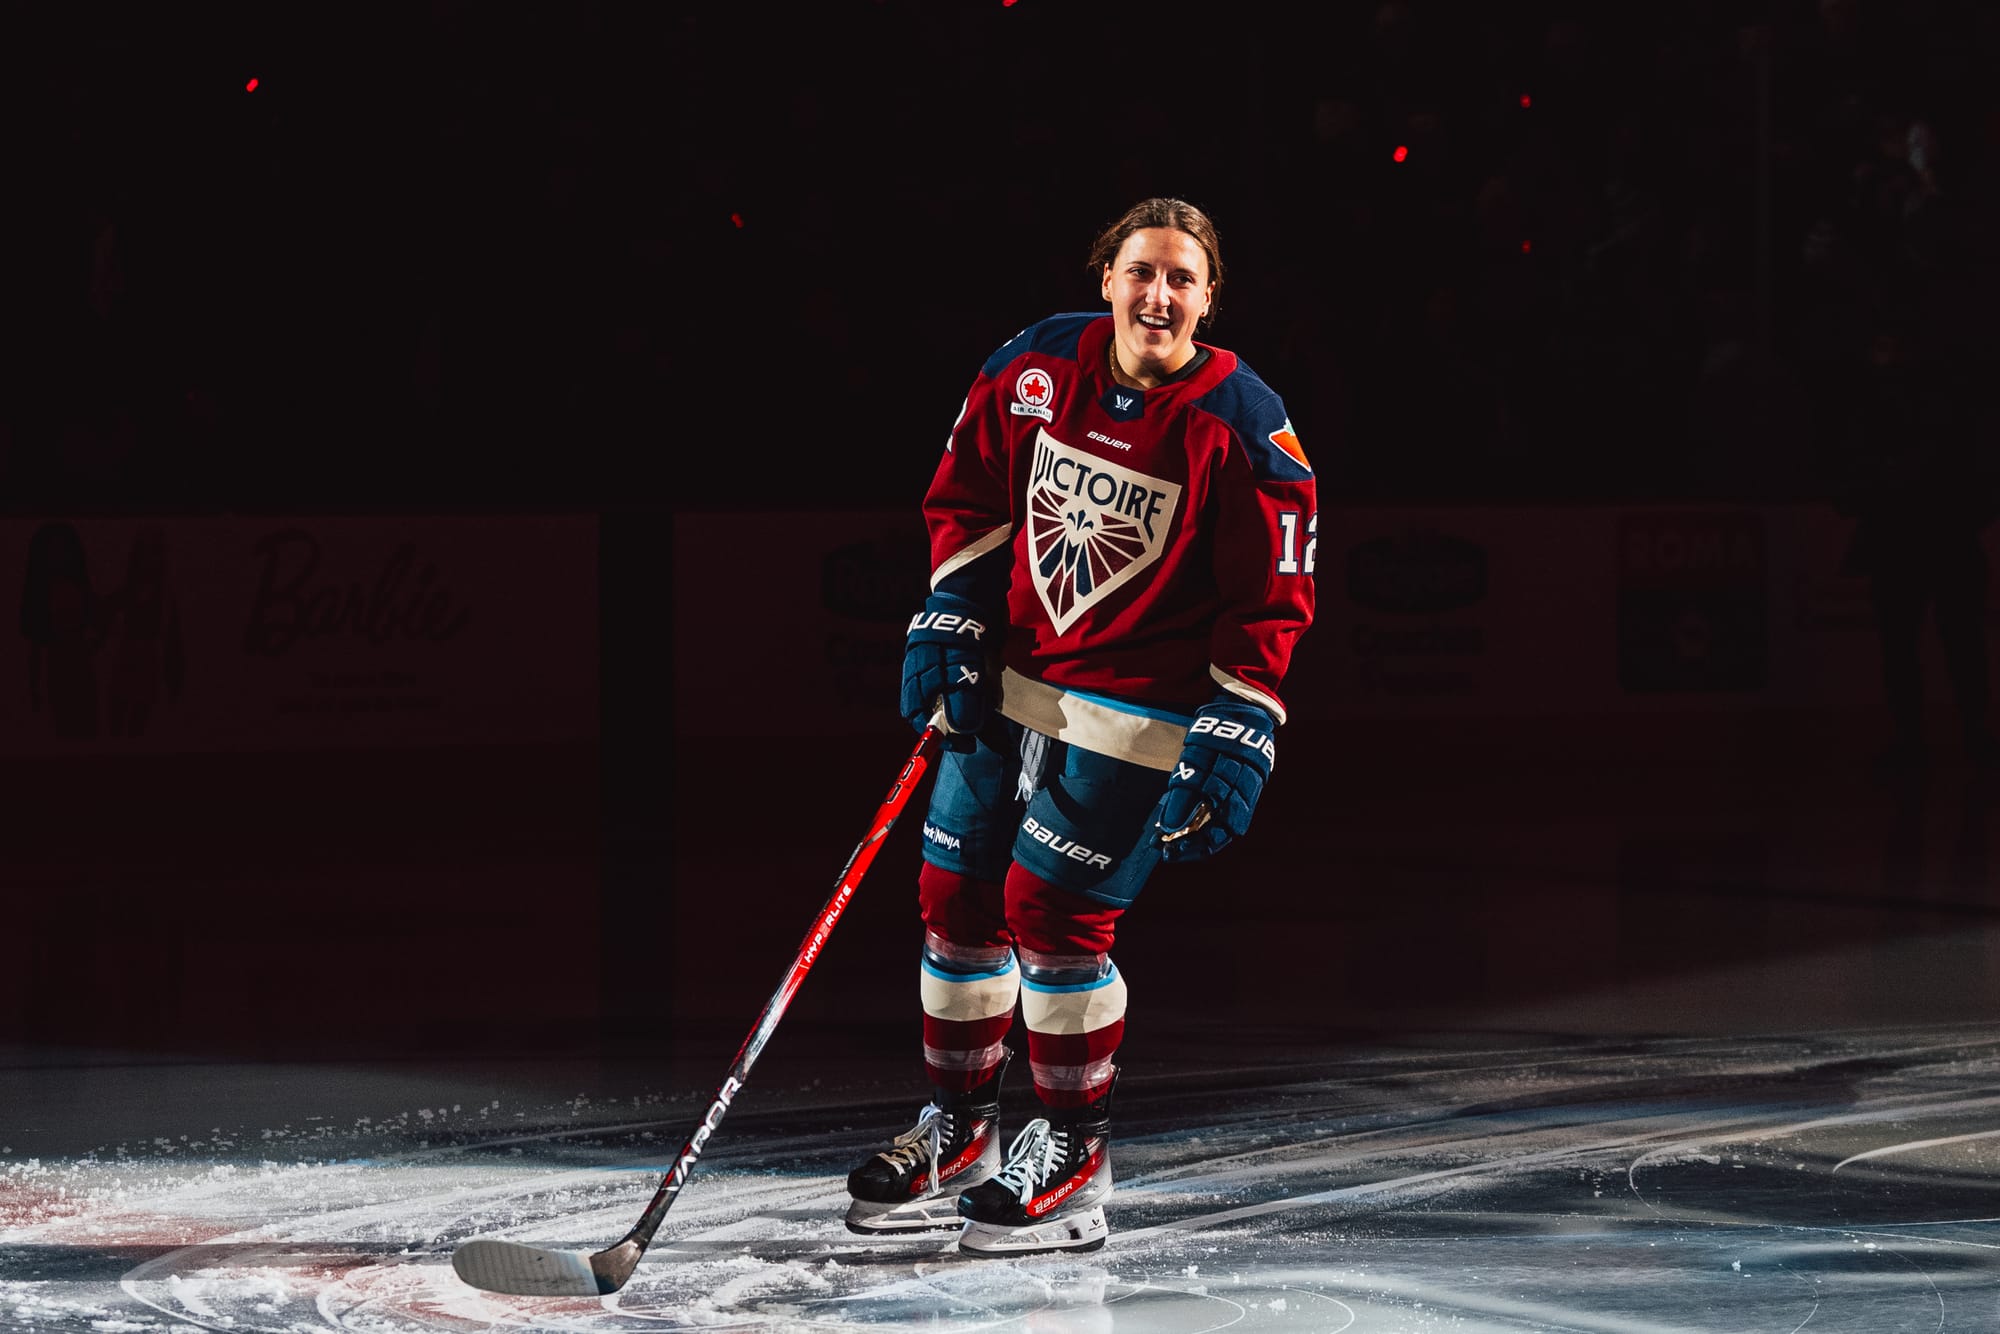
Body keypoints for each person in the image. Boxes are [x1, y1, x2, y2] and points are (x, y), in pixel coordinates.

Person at [844, 197, 1317, 1255]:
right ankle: (960, 1132)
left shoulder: (1244, 423)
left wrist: (1241, 720)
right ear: (1104, 275)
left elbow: (1272, 595)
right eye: (1140, 270)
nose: (1158, 294)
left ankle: (1074, 1153)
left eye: (1182, 279)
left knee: (1050, 915)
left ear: (1207, 299)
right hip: (1012, 679)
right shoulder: (1034, 365)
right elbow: (970, 494)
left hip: (1139, 714)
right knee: (954, 898)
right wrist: (955, 606)